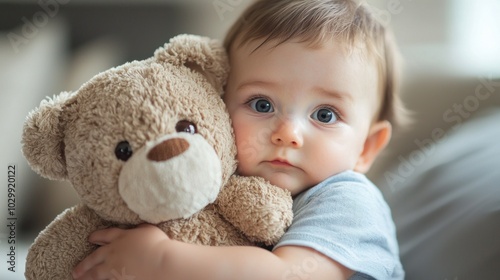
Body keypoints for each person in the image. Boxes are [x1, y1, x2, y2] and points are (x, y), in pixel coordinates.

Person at [72, 0, 406, 279]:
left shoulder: (347, 200)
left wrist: (161, 259)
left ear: (366, 147)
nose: (288, 133)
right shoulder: (218, 187)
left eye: (325, 115)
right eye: (262, 104)